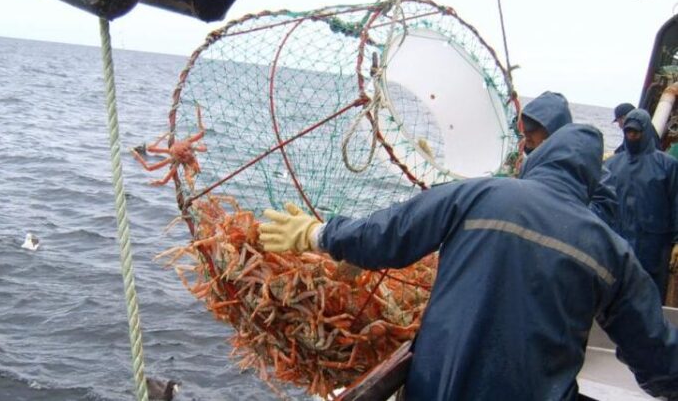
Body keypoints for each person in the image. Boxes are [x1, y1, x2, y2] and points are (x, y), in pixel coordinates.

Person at [259, 124, 678, 400]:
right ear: (591, 183)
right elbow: (657, 355)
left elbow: (387, 235)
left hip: (434, 390)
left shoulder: (477, 194)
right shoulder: (612, 251)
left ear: (539, 159)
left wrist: (316, 233)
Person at [604, 108, 678, 302]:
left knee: (650, 295)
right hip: (618, 242)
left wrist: (677, 241)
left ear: (645, 132)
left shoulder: (667, 165)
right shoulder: (611, 165)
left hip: (654, 246)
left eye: (636, 132)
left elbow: (676, 204)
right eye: (628, 131)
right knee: (617, 293)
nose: (631, 135)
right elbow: (601, 206)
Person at [520, 91, 618, 227]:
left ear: (553, 130)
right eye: (524, 128)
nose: (526, 134)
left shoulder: (593, 172)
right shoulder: (525, 164)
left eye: (533, 129)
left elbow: (603, 215)